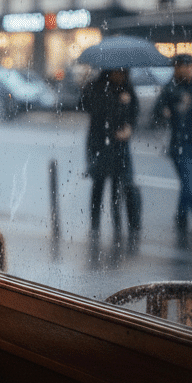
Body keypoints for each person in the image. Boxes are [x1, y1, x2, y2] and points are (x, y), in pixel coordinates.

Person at [79, 67, 141, 256]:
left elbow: (134, 113)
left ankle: (118, 226)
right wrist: (117, 101)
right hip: (99, 142)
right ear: (108, 72)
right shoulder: (96, 87)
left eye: (123, 73)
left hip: (119, 145)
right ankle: (95, 225)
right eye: (116, 72)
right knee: (98, 183)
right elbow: (86, 106)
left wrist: (129, 127)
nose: (120, 76)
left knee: (118, 185)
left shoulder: (128, 89)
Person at [152, 53, 192, 248]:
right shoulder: (171, 88)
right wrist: (167, 111)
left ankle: (181, 216)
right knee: (187, 182)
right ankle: (184, 215)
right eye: (182, 67)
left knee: (186, 183)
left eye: (189, 66)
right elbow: (157, 112)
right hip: (180, 143)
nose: (186, 70)